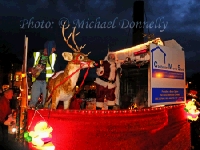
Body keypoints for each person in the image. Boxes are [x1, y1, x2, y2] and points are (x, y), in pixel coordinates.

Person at [28, 41, 58, 109]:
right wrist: (31, 69)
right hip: (37, 81)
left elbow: (57, 69)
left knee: (47, 102)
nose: (55, 50)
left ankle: (46, 118)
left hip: (47, 83)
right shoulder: (37, 54)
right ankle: (30, 116)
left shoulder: (54, 56)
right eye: (54, 48)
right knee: (33, 101)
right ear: (49, 47)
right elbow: (29, 64)